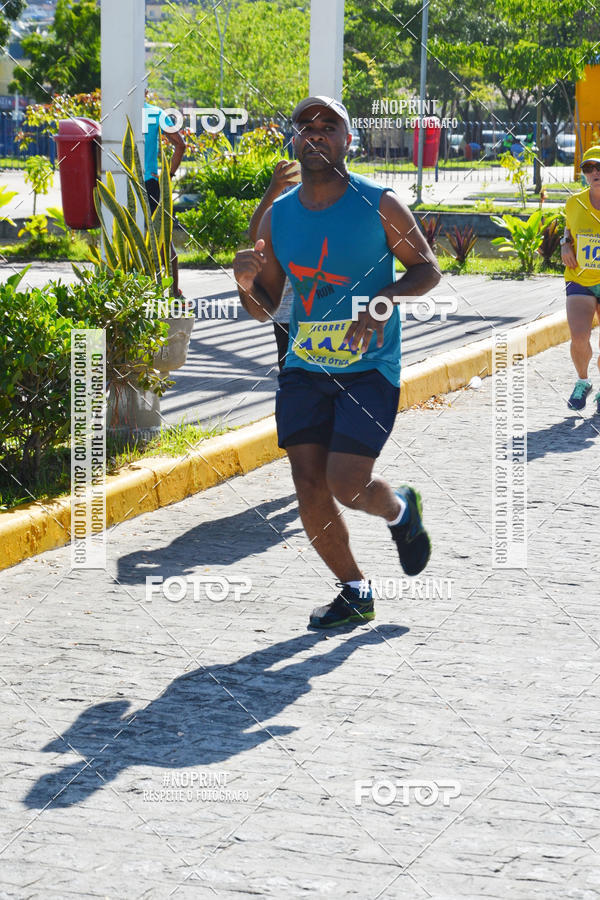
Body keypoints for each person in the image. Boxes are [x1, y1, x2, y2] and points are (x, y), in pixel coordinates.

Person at [233, 95, 441, 629]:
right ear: (294, 140)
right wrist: (244, 282)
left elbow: (427, 270)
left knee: (347, 484)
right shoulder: (280, 216)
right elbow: (262, 309)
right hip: (304, 366)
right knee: (308, 482)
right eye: (305, 126)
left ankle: (400, 511)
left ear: (349, 140)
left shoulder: (380, 203)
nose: (316, 133)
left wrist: (381, 301)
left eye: (329, 126)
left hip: (370, 369)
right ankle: (354, 591)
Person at [248, 160, 300, 370]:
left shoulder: (345, 187)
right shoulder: (288, 185)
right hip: (288, 307)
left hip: (330, 306)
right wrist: (274, 188)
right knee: (290, 372)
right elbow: (255, 233)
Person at [561, 145, 600, 413]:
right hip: (580, 278)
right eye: (589, 168)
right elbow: (568, 228)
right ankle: (583, 382)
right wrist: (565, 243)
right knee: (578, 335)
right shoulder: (574, 202)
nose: (595, 172)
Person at [143, 96, 186, 297]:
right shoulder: (155, 112)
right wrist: (167, 176)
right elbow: (180, 144)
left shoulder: (116, 112)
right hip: (150, 182)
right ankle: (173, 292)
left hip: (122, 182)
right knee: (162, 239)